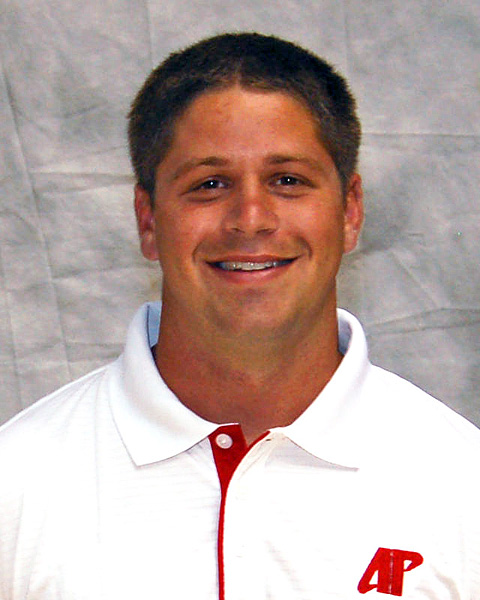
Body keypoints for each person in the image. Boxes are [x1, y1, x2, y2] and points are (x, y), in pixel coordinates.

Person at [0, 32, 479, 600]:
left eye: (288, 180)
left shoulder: (462, 484)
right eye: (209, 184)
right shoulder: (17, 481)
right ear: (148, 220)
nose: (250, 219)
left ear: (350, 211)